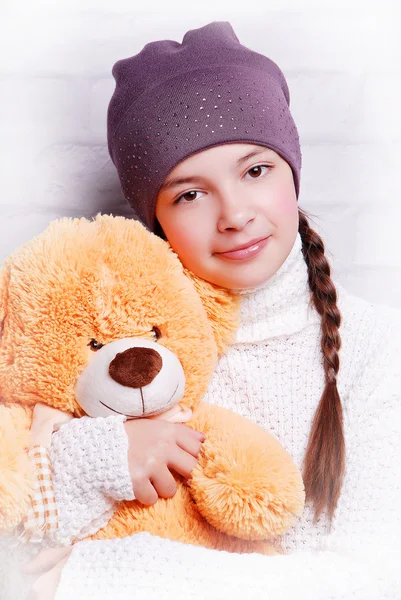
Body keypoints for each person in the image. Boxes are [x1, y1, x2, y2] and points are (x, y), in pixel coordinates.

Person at [8, 20, 401, 600]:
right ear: (155, 219)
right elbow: (22, 551)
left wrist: (110, 575)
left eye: (256, 170)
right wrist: (98, 457)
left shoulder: (378, 346)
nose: (235, 214)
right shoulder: (116, 344)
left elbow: (374, 579)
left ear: (292, 172)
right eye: (190, 193)